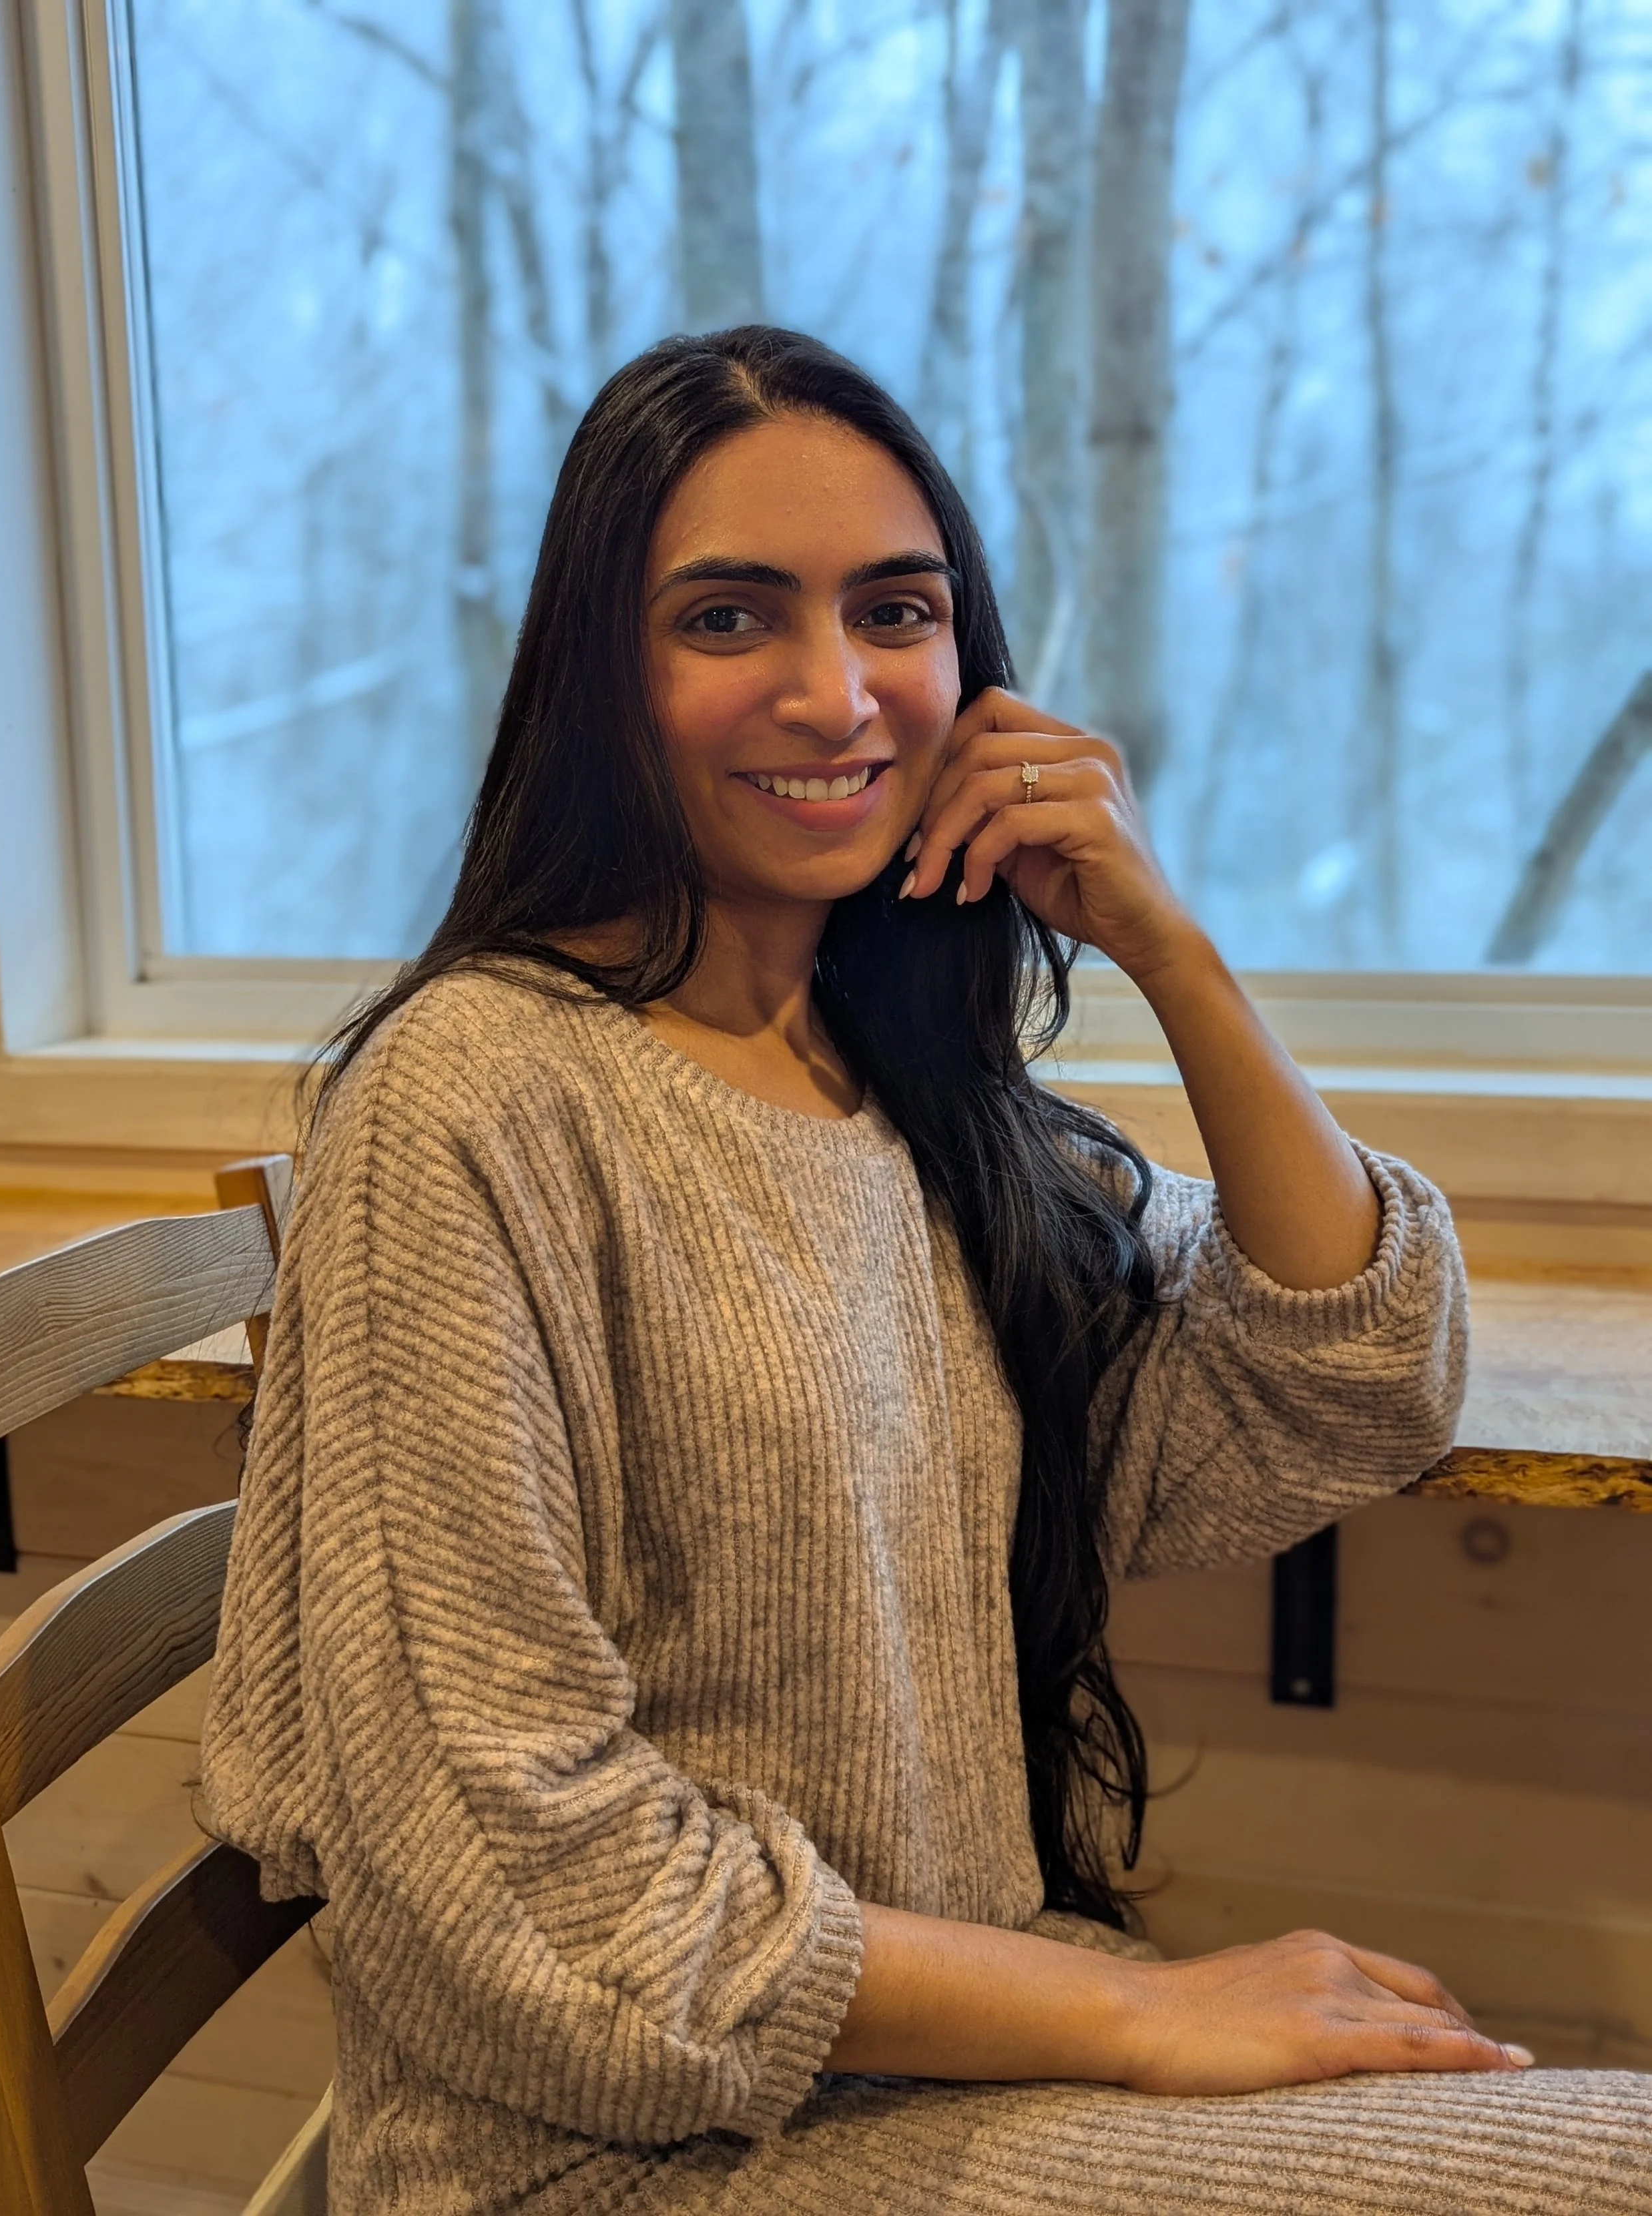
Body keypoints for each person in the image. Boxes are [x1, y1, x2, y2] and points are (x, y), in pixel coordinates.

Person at [202, 326, 1651, 2215]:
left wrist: (1166, 944)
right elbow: (520, 1883)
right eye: (728, 619)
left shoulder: (896, 1087)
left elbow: (1348, 1377)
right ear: (597, 678)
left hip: (937, 2077)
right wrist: (1133, 2018)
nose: (837, 694)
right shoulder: (472, 1101)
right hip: (622, 2155)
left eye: (896, 612)